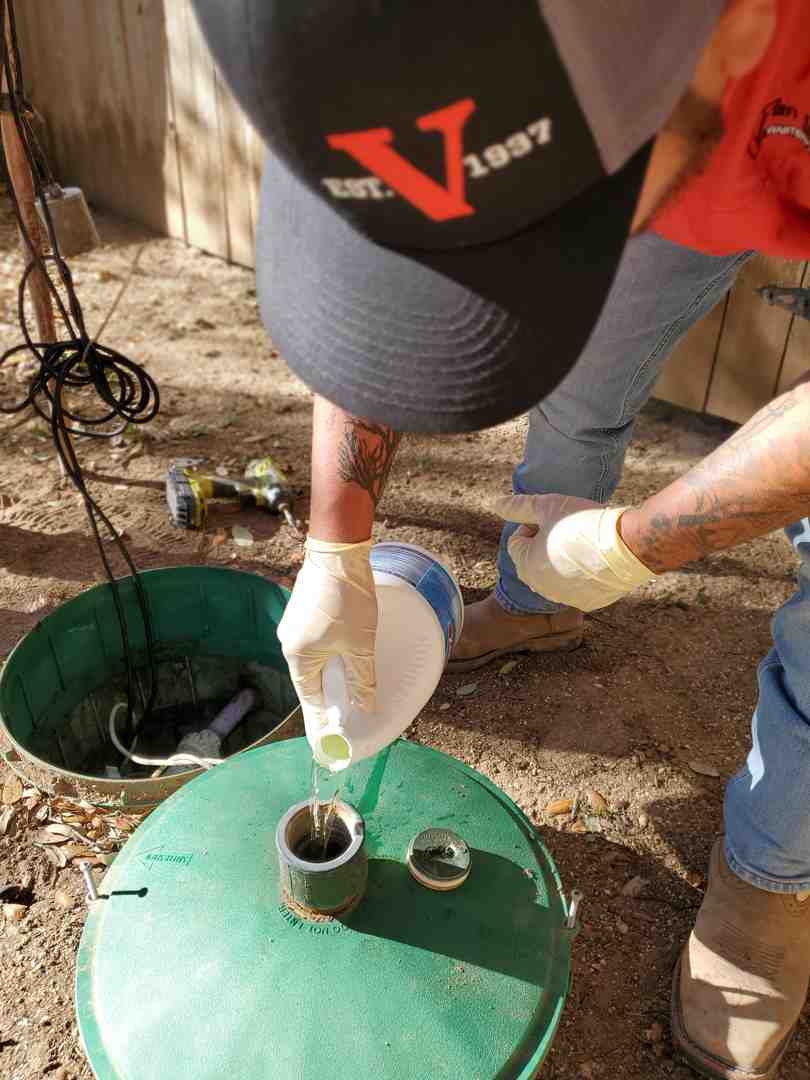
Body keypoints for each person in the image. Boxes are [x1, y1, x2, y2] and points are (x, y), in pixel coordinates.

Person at [194, 2, 809, 1076]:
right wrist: (336, 544)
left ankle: (777, 866)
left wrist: (636, 545)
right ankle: (536, 611)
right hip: (661, 126)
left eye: (536, 230)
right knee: (576, 365)